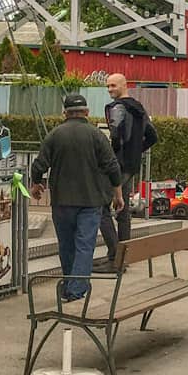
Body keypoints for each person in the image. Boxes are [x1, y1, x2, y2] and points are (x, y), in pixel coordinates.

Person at [29, 93, 122, 301]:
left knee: (67, 245)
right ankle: (75, 289)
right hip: (90, 201)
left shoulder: (55, 135)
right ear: (87, 112)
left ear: (65, 113)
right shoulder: (96, 135)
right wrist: (118, 194)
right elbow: (112, 166)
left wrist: (36, 184)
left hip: (62, 201)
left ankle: (71, 285)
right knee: (85, 245)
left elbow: (39, 165)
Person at [103, 73, 158, 259]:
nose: (110, 89)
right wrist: (137, 150)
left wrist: (112, 154)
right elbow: (153, 136)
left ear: (124, 85)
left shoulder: (117, 107)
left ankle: (115, 254)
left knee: (102, 206)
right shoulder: (139, 108)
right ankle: (124, 254)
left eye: (113, 86)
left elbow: (116, 135)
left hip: (117, 164)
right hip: (131, 165)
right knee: (123, 209)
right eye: (108, 86)